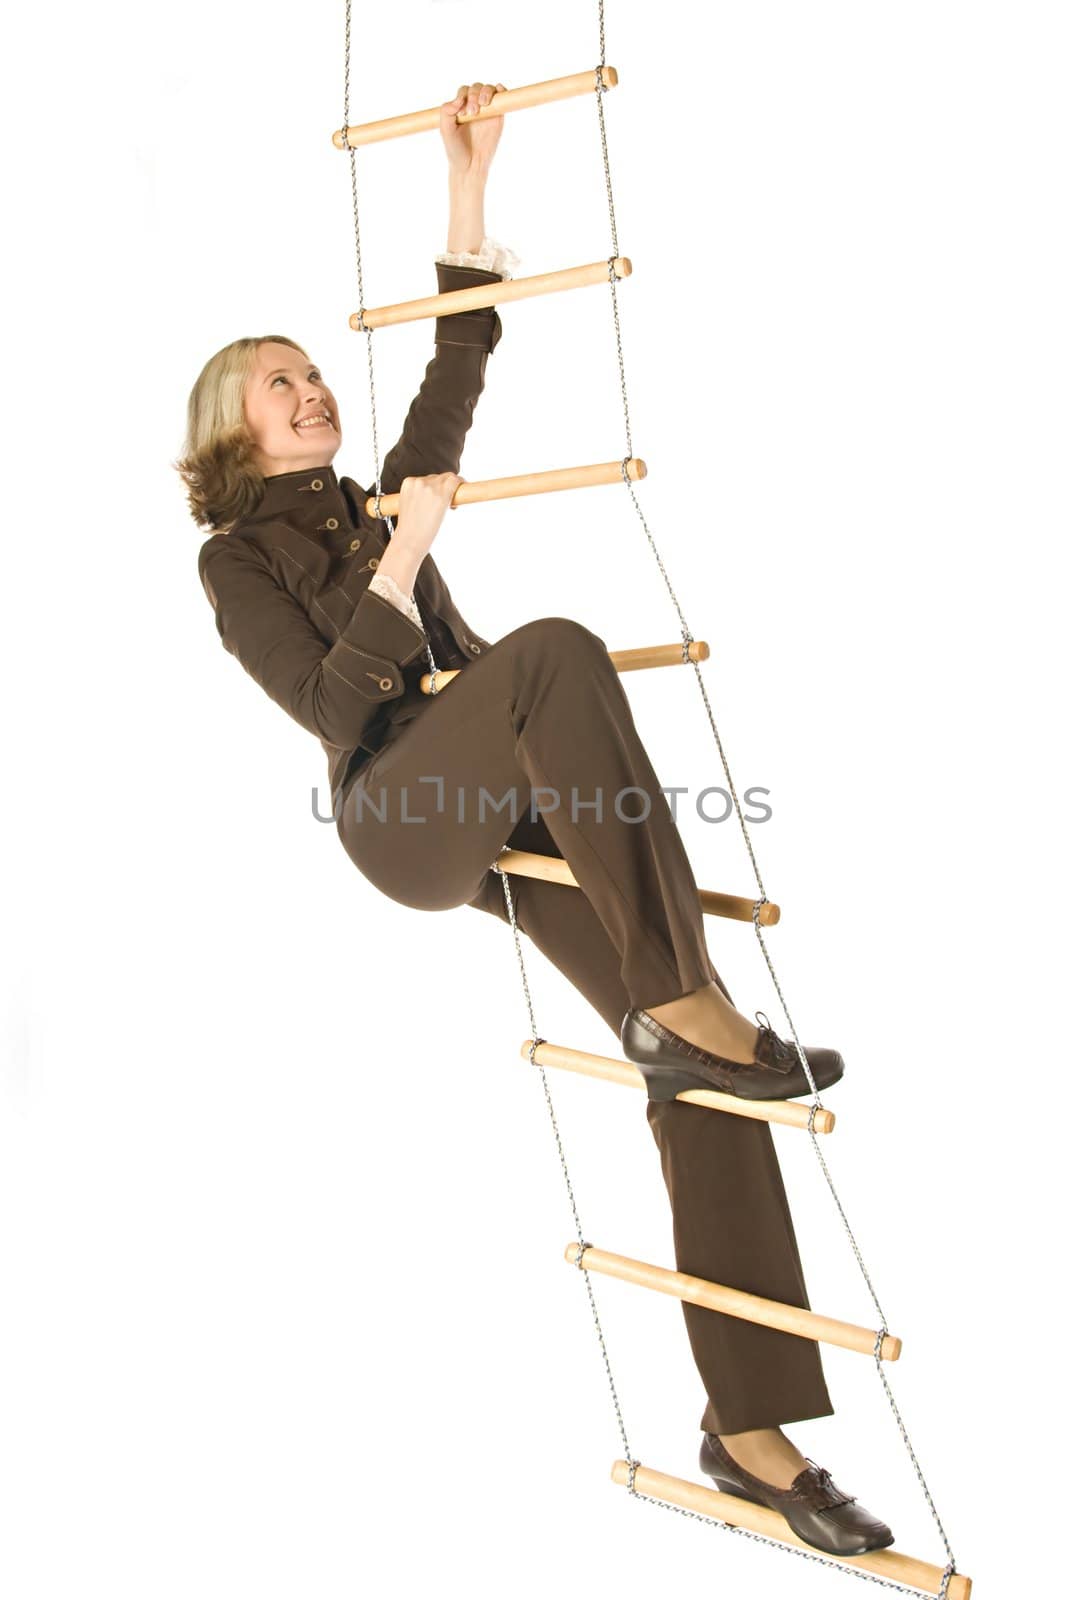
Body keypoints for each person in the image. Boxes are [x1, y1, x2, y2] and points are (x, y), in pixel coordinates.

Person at [175, 80, 893, 1558]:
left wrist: (465, 191)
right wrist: (403, 561)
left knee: (708, 1078)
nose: (313, 391)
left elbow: (459, 360)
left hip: (501, 782)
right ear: (233, 433)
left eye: (316, 375)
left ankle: (749, 1433)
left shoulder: (379, 495)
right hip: (405, 810)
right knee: (554, 646)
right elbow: (331, 709)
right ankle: (683, 1000)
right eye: (279, 385)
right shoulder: (238, 563)